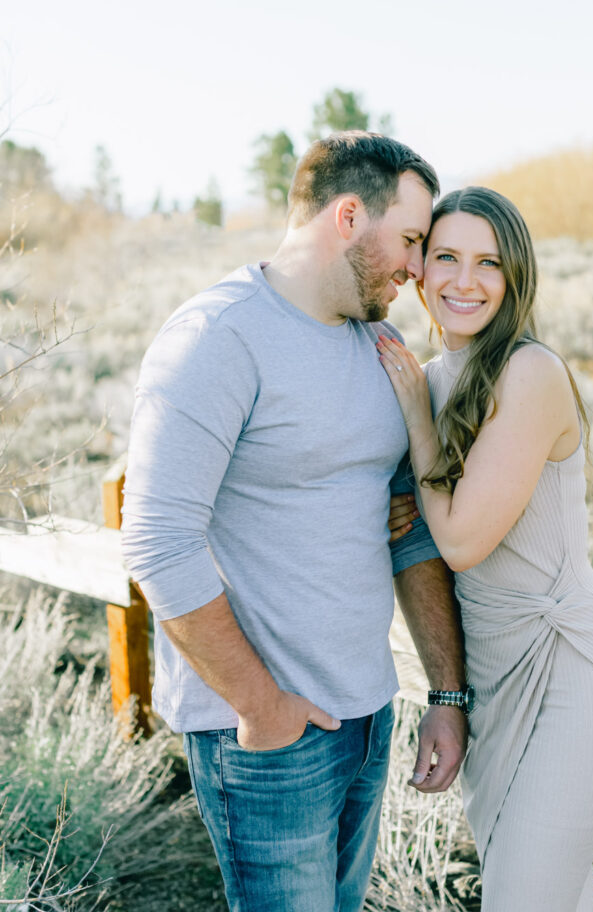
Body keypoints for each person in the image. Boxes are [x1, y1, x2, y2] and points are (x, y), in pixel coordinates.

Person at [120, 132, 469, 912]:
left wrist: (445, 696)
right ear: (348, 217)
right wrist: (260, 705)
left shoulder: (381, 344)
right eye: (410, 241)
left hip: (368, 713)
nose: (417, 269)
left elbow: (409, 531)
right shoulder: (218, 337)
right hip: (267, 739)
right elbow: (156, 539)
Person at [378, 186, 593, 912]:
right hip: (492, 681)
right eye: (448, 257)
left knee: (525, 898)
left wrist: (417, 426)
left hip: (568, 672)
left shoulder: (530, 373)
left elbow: (459, 539)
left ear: (515, 276)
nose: (466, 281)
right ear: (420, 269)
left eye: (489, 262)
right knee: (549, 895)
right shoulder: (426, 380)